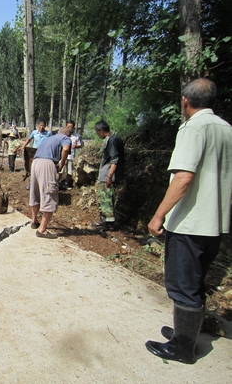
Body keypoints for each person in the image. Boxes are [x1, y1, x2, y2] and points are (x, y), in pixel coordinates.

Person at [145, 78, 232, 364]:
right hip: (215, 223)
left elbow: (184, 176)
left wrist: (159, 215)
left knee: (182, 285)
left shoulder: (194, 128)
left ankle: (182, 347)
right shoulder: (226, 129)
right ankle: (185, 332)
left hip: (191, 222)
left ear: (185, 100)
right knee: (195, 282)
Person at [29, 127, 71, 238]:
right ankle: (41, 230)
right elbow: (66, 149)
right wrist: (61, 163)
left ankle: (34, 221)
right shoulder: (66, 138)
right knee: (50, 194)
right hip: (47, 163)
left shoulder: (50, 137)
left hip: (35, 162)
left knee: (35, 192)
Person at [93, 120, 125, 231]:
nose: (98, 135)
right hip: (109, 173)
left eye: (97, 133)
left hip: (108, 174)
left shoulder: (111, 140)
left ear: (101, 131)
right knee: (106, 198)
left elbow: (114, 159)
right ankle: (105, 222)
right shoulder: (115, 137)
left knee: (106, 198)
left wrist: (109, 176)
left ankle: (107, 224)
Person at [64, 120, 83, 189]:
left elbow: (80, 145)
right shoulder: (62, 134)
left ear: (73, 127)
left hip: (71, 156)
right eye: (68, 126)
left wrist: (75, 146)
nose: (69, 128)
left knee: (69, 171)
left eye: (71, 127)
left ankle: (66, 184)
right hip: (62, 156)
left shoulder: (77, 136)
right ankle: (56, 183)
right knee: (60, 170)